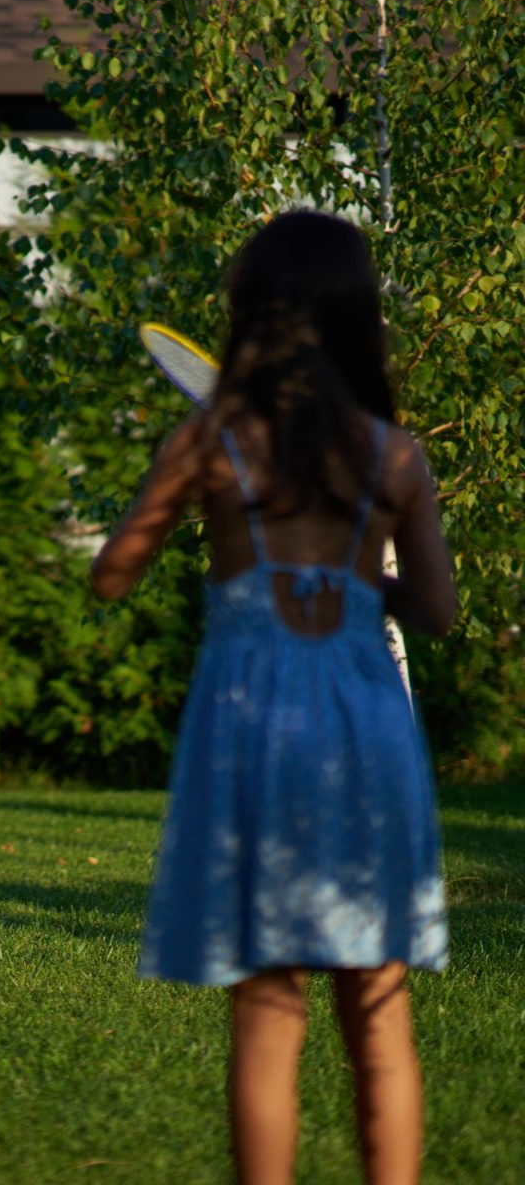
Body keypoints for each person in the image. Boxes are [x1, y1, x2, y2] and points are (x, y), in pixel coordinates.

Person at [91, 211, 456, 1185]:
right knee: (377, 1011)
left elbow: (112, 573)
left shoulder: (210, 438)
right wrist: (347, 583)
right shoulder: (391, 453)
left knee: (268, 1006)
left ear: (250, 315)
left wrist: (178, 496)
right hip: (365, 728)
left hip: (254, 731)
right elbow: (437, 609)